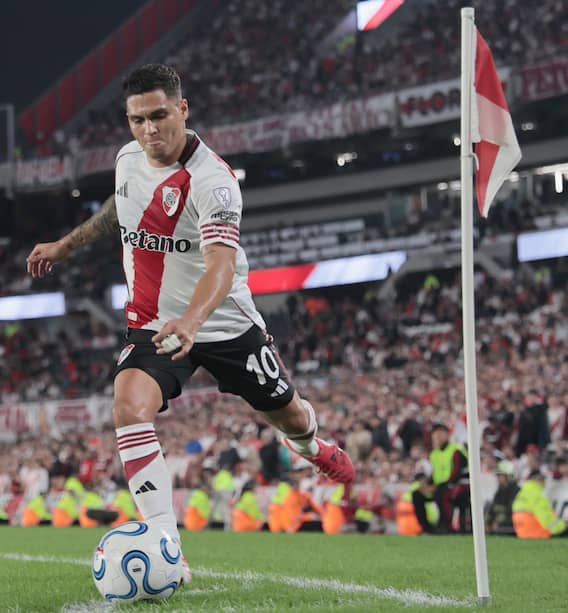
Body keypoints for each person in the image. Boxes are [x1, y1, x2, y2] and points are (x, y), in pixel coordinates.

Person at [26, 63, 354, 581]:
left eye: (159, 116)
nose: (149, 130)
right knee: (129, 405)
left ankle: (314, 447)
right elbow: (121, 208)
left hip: (221, 323)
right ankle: (167, 547)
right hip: (153, 321)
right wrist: (66, 246)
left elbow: (221, 266)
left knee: (288, 416)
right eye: (137, 120)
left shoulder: (213, 182)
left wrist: (192, 320)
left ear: (183, 109)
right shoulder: (128, 159)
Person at [428, 423, 470, 533]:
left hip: (459, 485)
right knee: (417, 495)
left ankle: (445, 525)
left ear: (447, 435)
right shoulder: (434, 454)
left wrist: (440, 485)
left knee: (441, 494)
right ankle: (426, 527)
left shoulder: (456, 449)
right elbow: (434, 473)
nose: (437, 437)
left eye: (440, 434)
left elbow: (457, 471)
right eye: (435, 435)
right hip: (442, 485)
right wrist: (428, 485)